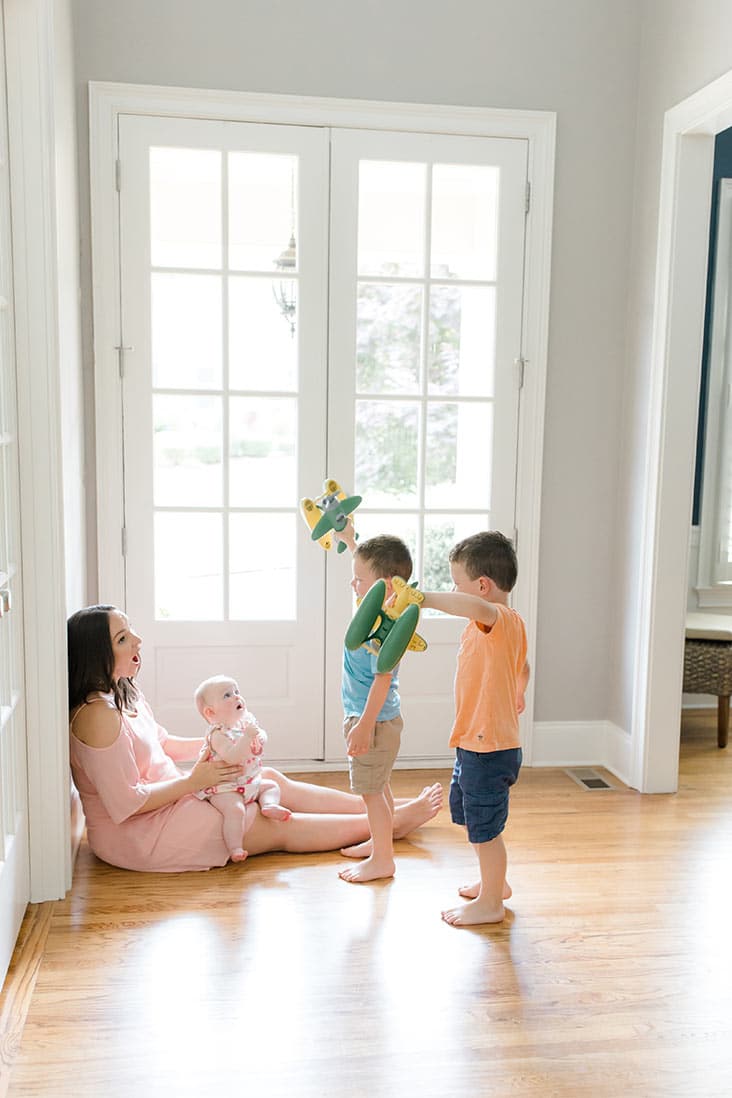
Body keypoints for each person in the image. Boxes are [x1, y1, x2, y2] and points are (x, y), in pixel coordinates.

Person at [67, 605, 444, 874]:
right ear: (97, 655)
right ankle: (388, 826)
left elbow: (163, 744)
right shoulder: (99, 717)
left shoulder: (122, 692)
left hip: (176, 795)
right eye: (122, 638)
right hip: (140, 834)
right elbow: (124, 805)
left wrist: (221, 746)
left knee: (271, 781)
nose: (137, 639)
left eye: (130, 629)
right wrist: (195, 781)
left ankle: (378, 813)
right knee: (261, 820)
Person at [419, 531, 529, 927]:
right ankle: (493, 885)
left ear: (482, 586)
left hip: (488, 746)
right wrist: (518, 693)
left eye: (457, 584)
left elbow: (472, 607)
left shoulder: (494, 618)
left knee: (485, 828)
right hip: (476, 741)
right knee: (472, 817)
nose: (454, 592)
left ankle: (490, 903)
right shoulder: (503, 628)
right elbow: (524, 667)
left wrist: (424, 598)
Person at [333, 527, 413, 884]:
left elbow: (381, 680)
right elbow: (370, 568)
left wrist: (363, 725)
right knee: (379, 787)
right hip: (377, 718)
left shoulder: (384, 630)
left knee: (370, 792)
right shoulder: (377, 610)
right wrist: (351, 539)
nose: (354, 585)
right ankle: (380, 844)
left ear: (387, 587)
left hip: (374, 720)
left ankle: (383, 859)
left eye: (359, 580)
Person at [193, 675, 292, 863]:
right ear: (211, 713)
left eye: (237, 692)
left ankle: (269, 805)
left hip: (249, 782)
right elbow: (232, 756)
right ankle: (235, 847)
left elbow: (261, 733)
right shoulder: (217, 735)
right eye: (227, 695)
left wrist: (260, 737)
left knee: (271, 786)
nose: (236, 697)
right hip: (225, 788)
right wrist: (247, 738)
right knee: (235, 811)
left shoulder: (245, 722)